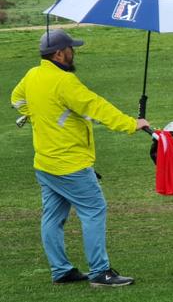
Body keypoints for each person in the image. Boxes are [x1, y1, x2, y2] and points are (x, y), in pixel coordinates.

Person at [10, 29, 150, 287]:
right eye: (71, 48)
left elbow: (17, 100)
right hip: (70, 164)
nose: (74, 52)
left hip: (45, 163)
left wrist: (39, 115)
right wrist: (132, 124)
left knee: (52, 217)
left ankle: (61, 270)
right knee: (94, 209)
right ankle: (100, 272)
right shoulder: (65, 83)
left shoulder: (32, 74)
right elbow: (96, 106)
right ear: (59, 53)